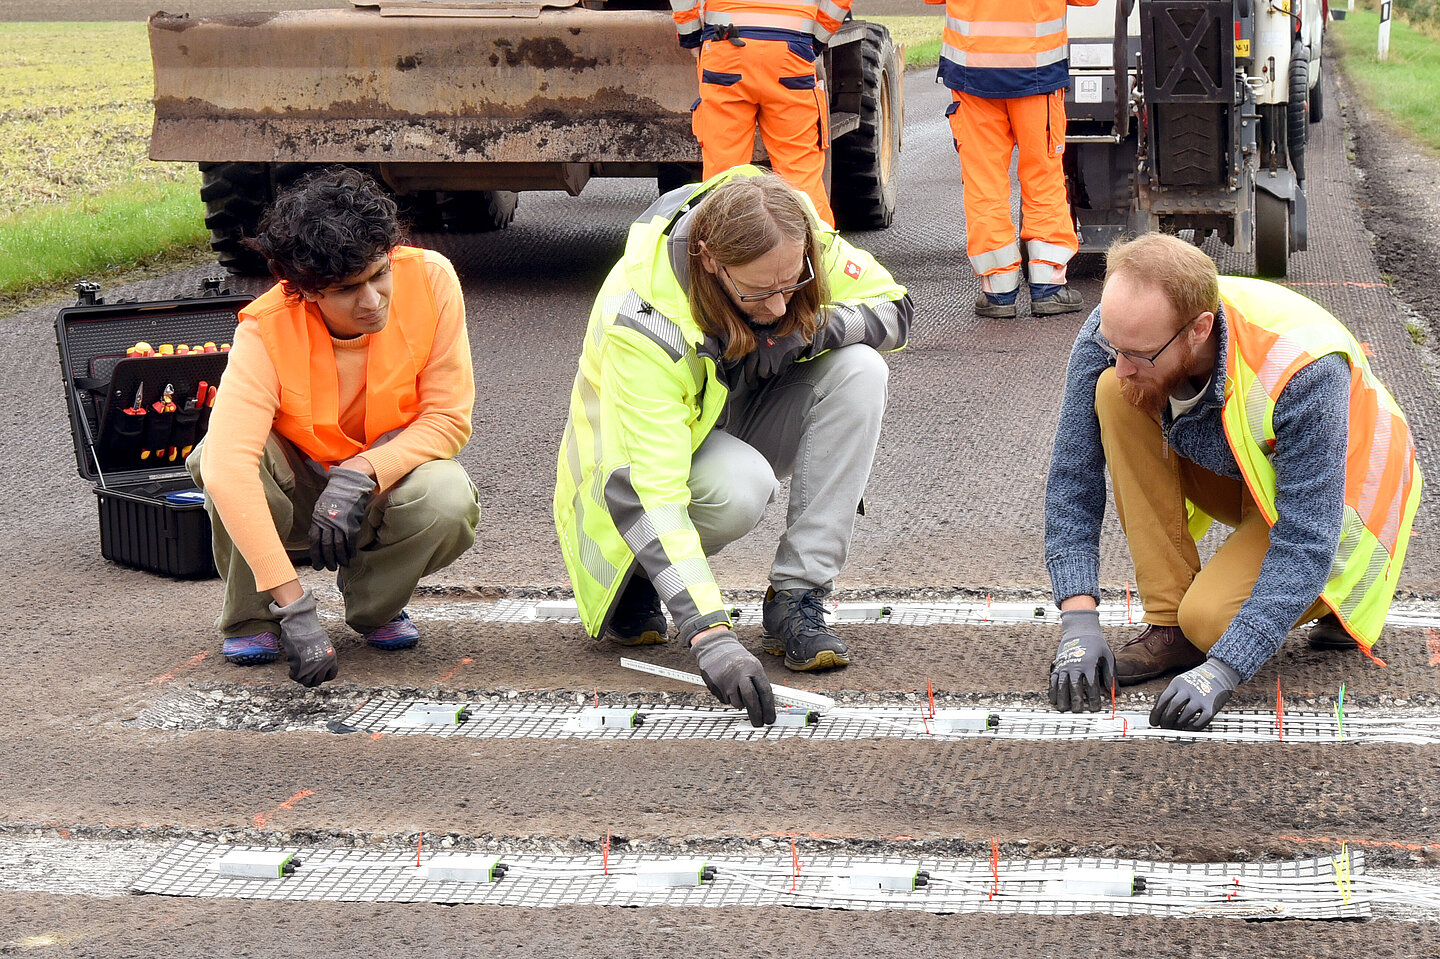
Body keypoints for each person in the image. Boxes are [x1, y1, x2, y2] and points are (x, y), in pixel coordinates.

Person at [554, 167, 911, 726]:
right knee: (740, 488)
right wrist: (710, 634)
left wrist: (805, 333)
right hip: (621, 503)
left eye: (790, 283)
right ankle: (640, 581)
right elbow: (652, 494)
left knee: (861, 368)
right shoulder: (644, 320)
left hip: (718, 425)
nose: (776, 306)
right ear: (710, 262)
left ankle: (798, 596)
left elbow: (895, 308)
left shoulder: (788, 230)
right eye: (757, 292)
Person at [1044, 234, 1422, 730]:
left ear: (1199, 329)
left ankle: (1333, 602)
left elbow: (1307, 540)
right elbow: (1074, 473)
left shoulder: (1303, 367)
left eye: (1137, 354)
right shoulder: (1120, 331)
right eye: (1113, 347)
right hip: (1245, 472)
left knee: (1211, 624)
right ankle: (1167, 624)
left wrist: (1225, 667)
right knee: (1116, 394)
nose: (1119, 362)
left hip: (1345, 503)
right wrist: (1077, 618)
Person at [188, 167, 481, 687]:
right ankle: (256, 614)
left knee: (447, 496)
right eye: (348, 289)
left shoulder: (432, 279)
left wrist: (362, 472)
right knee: (219, 457)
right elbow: (229, 468)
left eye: (378, 274)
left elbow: (447, 419)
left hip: (372, 486)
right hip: (293, 490)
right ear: (306, 290)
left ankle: (374, 605)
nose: (372, 301)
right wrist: (296, 607)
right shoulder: (266, 328)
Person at [931, 0, 1096, 318]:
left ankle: (998, 291)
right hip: (1037, 74)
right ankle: (1048, 287)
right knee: (1043, 177)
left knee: (984, 184)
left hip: (971, 76)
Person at [669, 0, 852, 227]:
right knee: (800, 174)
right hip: (791, 52)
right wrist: (817, 38)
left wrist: (690, 34)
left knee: (724, 176)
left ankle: (723, 254)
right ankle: (819, 252)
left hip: (724, 49)